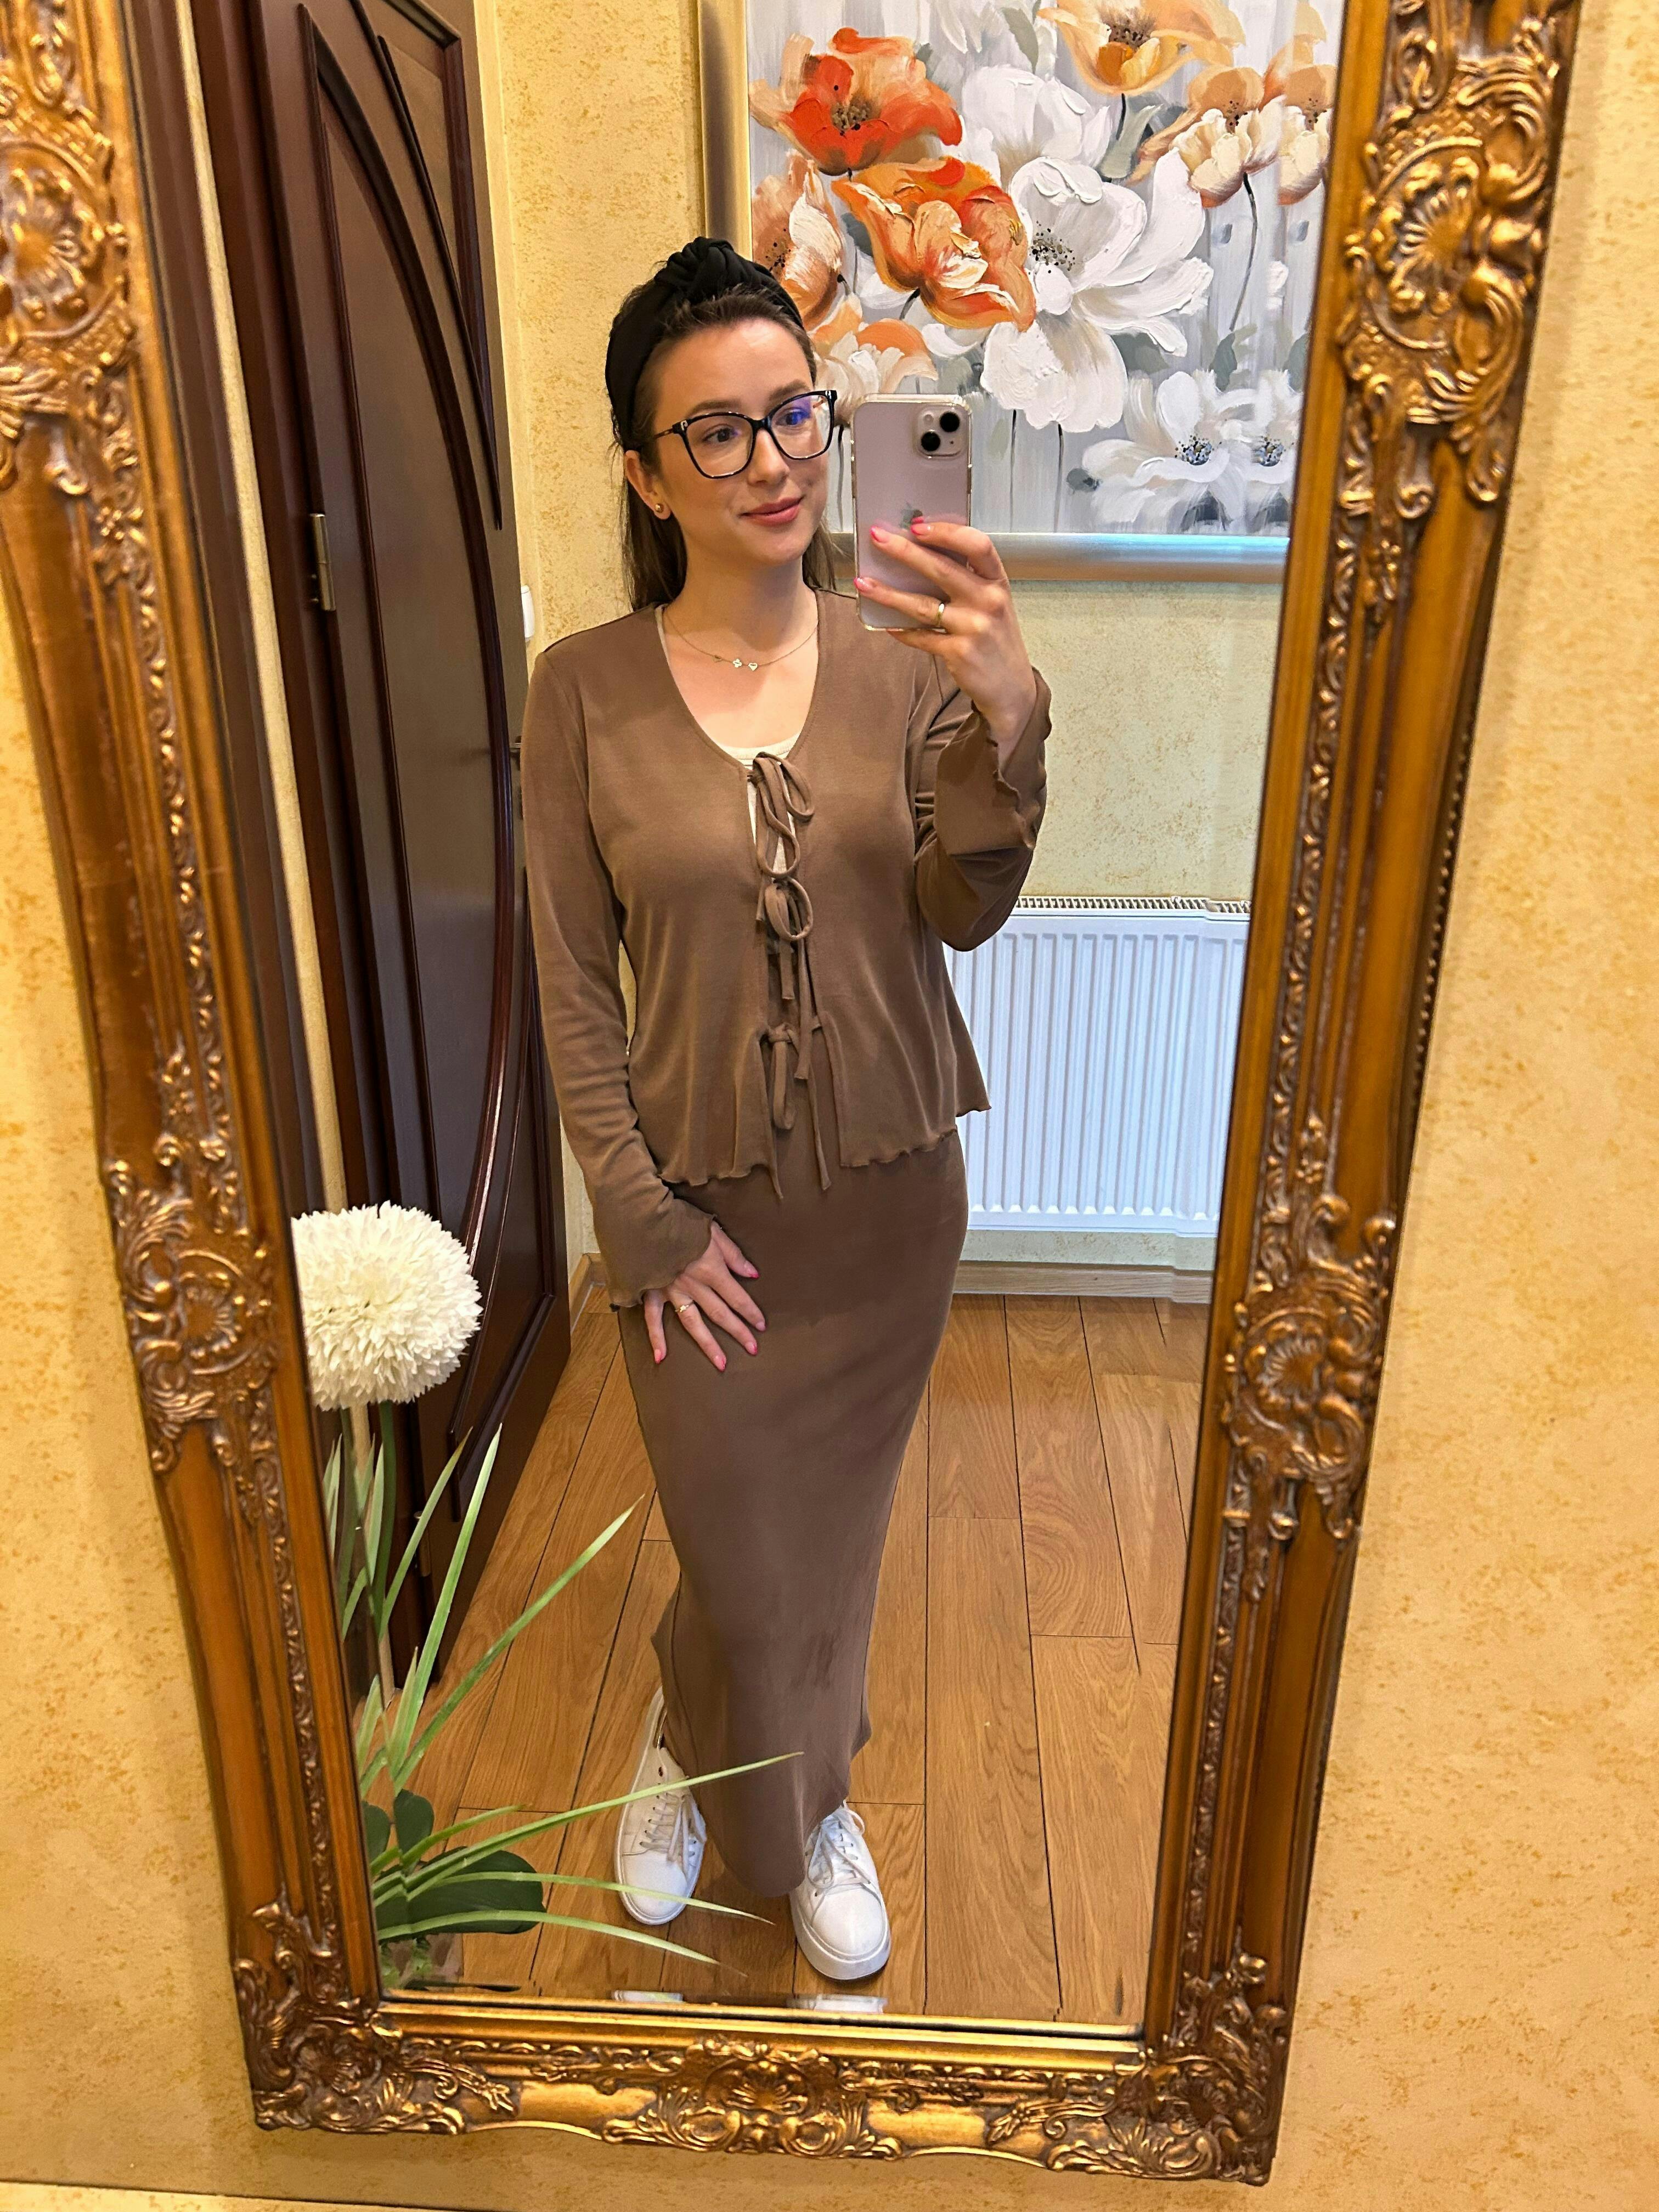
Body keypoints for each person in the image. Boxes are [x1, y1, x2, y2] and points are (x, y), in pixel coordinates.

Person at [521, 237, 1048, 1982]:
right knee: (738, 1555)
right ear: (645, 470)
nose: (774, 459)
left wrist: (1013, 721)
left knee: (827, 1550)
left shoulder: (905, 662)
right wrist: (642, 1223)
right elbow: (572, 984)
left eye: (796, 414)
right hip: (698, 1228)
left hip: (889, 1213)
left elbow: (963, 908)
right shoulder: (580, 689)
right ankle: (702, 1744)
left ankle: (810, 1809)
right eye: (720, 429)